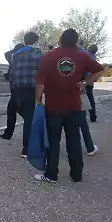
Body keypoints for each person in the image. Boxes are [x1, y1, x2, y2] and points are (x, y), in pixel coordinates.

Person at [34, 28, 104, 183]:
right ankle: (76, 174)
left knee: (53, 141)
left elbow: (40, 82)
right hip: (74, 106)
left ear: (61, 39)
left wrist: (37, 101)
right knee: (74, 140)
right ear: (76, 41)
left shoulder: (50, 56)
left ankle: (52, 174)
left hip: (54, 106)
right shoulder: (81, 56)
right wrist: (85, 82)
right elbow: (100, 69)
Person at [9, 32, 44, 158]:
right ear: (35, 41)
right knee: (30, 118)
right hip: (31, 88)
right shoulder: (37, 53)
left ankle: (32, 143)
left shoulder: (15, 55)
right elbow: (42, 71)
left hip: (17, 89)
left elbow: (12, 73)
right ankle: (27, 148)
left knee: (26, 116)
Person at [0, 43, 25, 140]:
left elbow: (7, 54)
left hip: (15, 91)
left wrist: (5, 75)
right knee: (17, 112)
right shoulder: (22, 62)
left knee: (12, 112)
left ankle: (8, 134)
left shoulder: (14, 62)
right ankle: (8, 134)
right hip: (22, 91)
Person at [85, 44, 99, 122]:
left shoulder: (87, 54)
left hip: (86, 78)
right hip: (91, 79)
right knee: (90, 98)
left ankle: (85, 115)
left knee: (84, 97)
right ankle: (93, 115)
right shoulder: (94, 56)